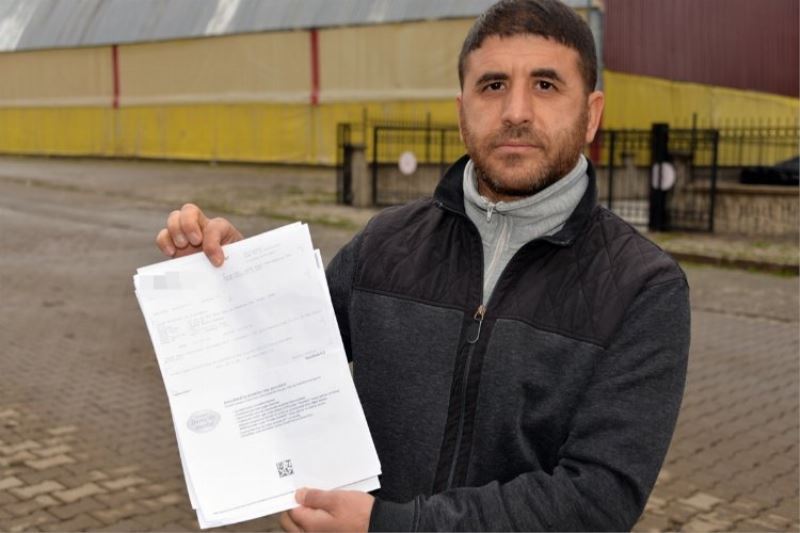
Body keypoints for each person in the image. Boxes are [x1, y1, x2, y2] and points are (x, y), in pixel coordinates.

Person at [156, 0, 690, 530]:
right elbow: (282, 363)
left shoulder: (643, 289)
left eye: (545, 85)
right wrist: (227, 278)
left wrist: (389, 526)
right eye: (493, 85)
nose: (516, 112)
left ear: (591, 114)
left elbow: (596, 500)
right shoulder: (385, 244)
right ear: (461, 112)